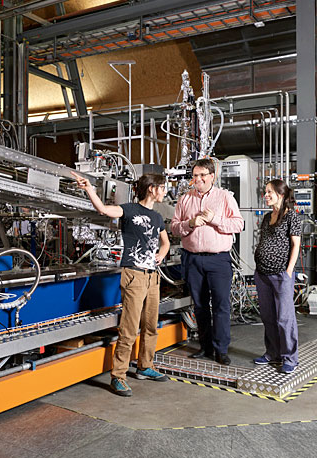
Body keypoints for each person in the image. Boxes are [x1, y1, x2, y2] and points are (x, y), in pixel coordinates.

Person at [71, 171, 170, 397]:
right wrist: (89, 189)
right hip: (134, 276)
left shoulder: (157, 217)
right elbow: (103, 210)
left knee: (151, 325)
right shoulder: (129, 209)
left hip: (152, 276)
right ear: (152, 188)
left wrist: (161, 255)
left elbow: (165, 242)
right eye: (162, 187)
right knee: (129, 328)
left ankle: (145, 366)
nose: (164, 192)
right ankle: (118, 376)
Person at [171, 158, 244, 365]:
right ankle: (206, 347)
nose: (198, 179)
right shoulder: (185, 199)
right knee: (200, 306)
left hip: (218, 260)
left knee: (221, 305)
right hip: (192, 259)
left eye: (203, 175)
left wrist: (215, 220)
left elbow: (239, 224)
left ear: (212, 176)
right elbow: (175, 227)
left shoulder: (224, 198)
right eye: (195, 175)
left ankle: (221, 349)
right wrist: (190, 223)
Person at [253, 179, 302, 374]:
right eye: (265, 192)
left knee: (284, 318)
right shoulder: (267, 217)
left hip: (281, 274)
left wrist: (289, 271)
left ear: (280, 195)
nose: (266, 195)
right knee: (268, 316)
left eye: (269, 192)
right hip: (262, 274)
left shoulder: (292, 217)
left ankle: (290, 358)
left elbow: (296, 245)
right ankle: (272, 353)